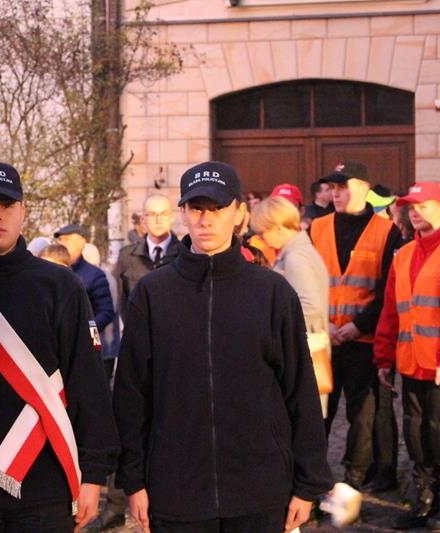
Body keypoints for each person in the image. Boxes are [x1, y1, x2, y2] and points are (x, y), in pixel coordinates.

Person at [115, 161, 332, 533]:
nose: (206, 220)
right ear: (183, 213)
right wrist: (133, 479)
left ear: (239, 213)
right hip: (177, 489)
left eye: (217, 208)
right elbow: (131, 392)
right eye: (197, 208)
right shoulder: (153, 293)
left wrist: (308, 482)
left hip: (260, 489)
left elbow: (300, 389)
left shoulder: (272, 292)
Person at [0, 160, 119, 532]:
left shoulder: (59, 285)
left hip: (43, 488)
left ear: (22, 210)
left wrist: (94, 473)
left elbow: (88, 383)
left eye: (6, 205)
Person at [310, 160, 401, 491]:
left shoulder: (386, 232)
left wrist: (357, 325)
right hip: (324, 338)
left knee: (363, 416)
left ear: (363, 189)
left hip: (363, 340)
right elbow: (309, 283)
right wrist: (326, 325)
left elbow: (388, 290)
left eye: (342, 187)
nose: (335, 194)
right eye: (332, 188)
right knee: (317, 413)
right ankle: (313, 477)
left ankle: (356, 478)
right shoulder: (317, 228)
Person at [374, 182, 440, 529]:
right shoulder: (403, 255)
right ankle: (424, 498)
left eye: (423, 205)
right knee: (416, 431)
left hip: (436, 364)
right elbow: (391, 311)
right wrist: (384, 358)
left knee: (437, 430)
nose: (415, 212)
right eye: (411, 207)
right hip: (411, 361)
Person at [250, 196, 331, 416]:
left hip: (301, 355)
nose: (262, 239)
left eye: (263, 233)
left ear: (277, 228)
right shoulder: (299, 252)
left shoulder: (296, 257)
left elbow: (309, 308)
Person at [113, 194, 178, 322]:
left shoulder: (185, 254)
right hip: (140, 329)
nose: (158, 220)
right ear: (143, 219)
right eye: (152, 214)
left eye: (164, 214)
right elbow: (121, 299)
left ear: (172, 217)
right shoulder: (127, 256)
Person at [54, 223, 115, 346]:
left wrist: (85, 332)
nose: (62, 243)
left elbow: (106, 312)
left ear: (82, 242)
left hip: (87, 344)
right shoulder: (52, 271)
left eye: (67, 239)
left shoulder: (94, 274)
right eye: (60, 239)